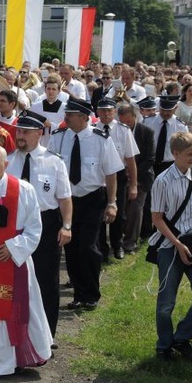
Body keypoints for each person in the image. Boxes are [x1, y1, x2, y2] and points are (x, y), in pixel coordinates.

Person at [0, 145, 52, 375]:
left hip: (13, 258)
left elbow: (33, 227)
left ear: (6, 164)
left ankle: (17, 357)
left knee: (17, 307)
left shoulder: (24, 189)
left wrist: (12, 248)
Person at [48, 99, 123, 310]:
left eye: (70, 115)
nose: (66, 118)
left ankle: (92, 293)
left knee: (87, 246)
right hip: (66, 200)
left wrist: (112, 202)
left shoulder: (101, 139)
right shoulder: (59, 138)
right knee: (70, 247)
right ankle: (79, 294)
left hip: (92, 199)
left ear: (84, 117)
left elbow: (111, 173)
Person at [6, 111, 72, 341]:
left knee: (46, 281)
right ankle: (17, 332)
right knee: (16, 279)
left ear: (38, 134)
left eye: (25, 132)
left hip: (46, 224)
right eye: (18, 131)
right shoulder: (8, 160)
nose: (20, 136)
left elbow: (64, 197)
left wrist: (66, 226)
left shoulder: (53, 161)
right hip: (16, 226)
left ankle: (46, 336)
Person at [150, 131, 192, 363]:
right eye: (189, 154)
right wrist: (177, 244)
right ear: (174, 153)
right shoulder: (162, 181)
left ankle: (182, 337)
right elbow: (157, 219)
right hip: (169, 245)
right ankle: (164, 346)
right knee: (166, 303)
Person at [94, 98, 139, 261]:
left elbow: (131, 160)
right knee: (98, 214)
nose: (106, 114)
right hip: (98, 176)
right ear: (97, 112)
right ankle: (101, 249)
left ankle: (117, 245)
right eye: (103, 110)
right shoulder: (91, 130)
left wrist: (133, 185)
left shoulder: (123, 130)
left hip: (118, 176)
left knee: (118, 215)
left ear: (114, 112)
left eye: (109, 110)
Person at [117, 103, 155, 254]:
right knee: (120, 210)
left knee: (135, 210)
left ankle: (129, 243)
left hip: (141, 177)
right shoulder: (115, 131)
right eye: (123, 122)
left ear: (135, 117)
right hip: (119, 176)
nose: (126, 125)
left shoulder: (147, 132)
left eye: (128, 122)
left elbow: (150, 158)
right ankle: (117, 241)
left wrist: (133, 174)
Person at [148, 95, 188, 177]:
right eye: (163, 110)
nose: (165, 113)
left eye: (169, 110)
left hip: (170, 165)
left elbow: (184, 149)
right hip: (150, 164)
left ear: (175, 108)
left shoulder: (181, 127)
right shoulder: (147, 121)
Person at [30, 74, 68, 147]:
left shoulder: (65, 108)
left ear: (59, 91)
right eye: (48, 89)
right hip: (39, 141)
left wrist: (51, 125)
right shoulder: (35, 106)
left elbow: (65, 128)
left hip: (57, 142)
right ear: (45, 90)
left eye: (54, 89)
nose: (51, 92)